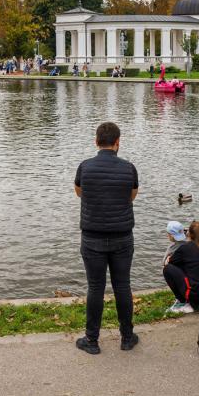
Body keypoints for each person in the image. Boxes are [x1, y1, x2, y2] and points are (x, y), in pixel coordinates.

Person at [73, 122, 139, 354]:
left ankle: (92, 341)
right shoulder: (129, 168)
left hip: (92, 238)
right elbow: (131, 197)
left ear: (96, 141)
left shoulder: (85, 167)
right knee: (122, 286)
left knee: (95, 288)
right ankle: (127, 338)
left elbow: (80, 193)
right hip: (122, 236)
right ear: (118, 142)